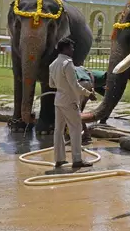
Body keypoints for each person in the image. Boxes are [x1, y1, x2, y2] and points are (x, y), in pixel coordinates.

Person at [49, 37, 94, 168]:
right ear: (66, 48)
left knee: (58, 130)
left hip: (58, 100)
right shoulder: (67, 64)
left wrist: (62, 86)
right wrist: (88, 93)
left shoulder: (53, 64)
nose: (73, 50)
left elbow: (52, 84)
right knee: (76, 129)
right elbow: (75, 86)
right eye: (71, 47)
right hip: (70, 101)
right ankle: (77, 159)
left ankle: (59, 159)